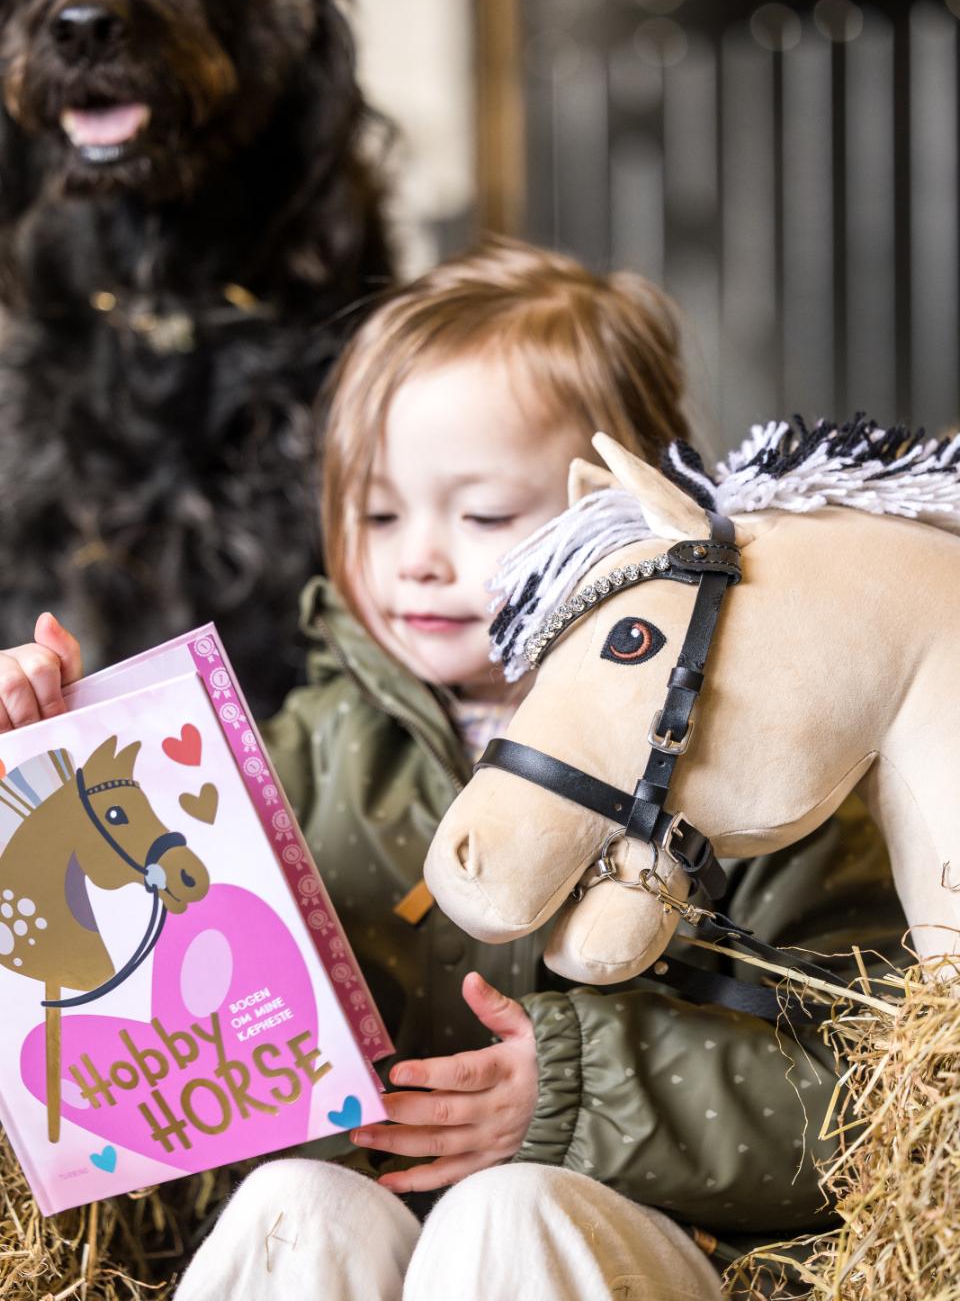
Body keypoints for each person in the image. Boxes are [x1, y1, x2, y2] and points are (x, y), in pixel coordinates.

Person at [0, 240, 904, 1301]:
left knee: (508, 1207)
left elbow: (874, 1106)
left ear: (631, 510)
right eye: (378, 513)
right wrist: (39, 750)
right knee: (300, 1206)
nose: (417, 556)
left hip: (641, 1246)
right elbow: (125, 996)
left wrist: (575, 1095)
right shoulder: (289, 759)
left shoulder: (753, 767)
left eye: (481, 515)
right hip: (361, 1244)